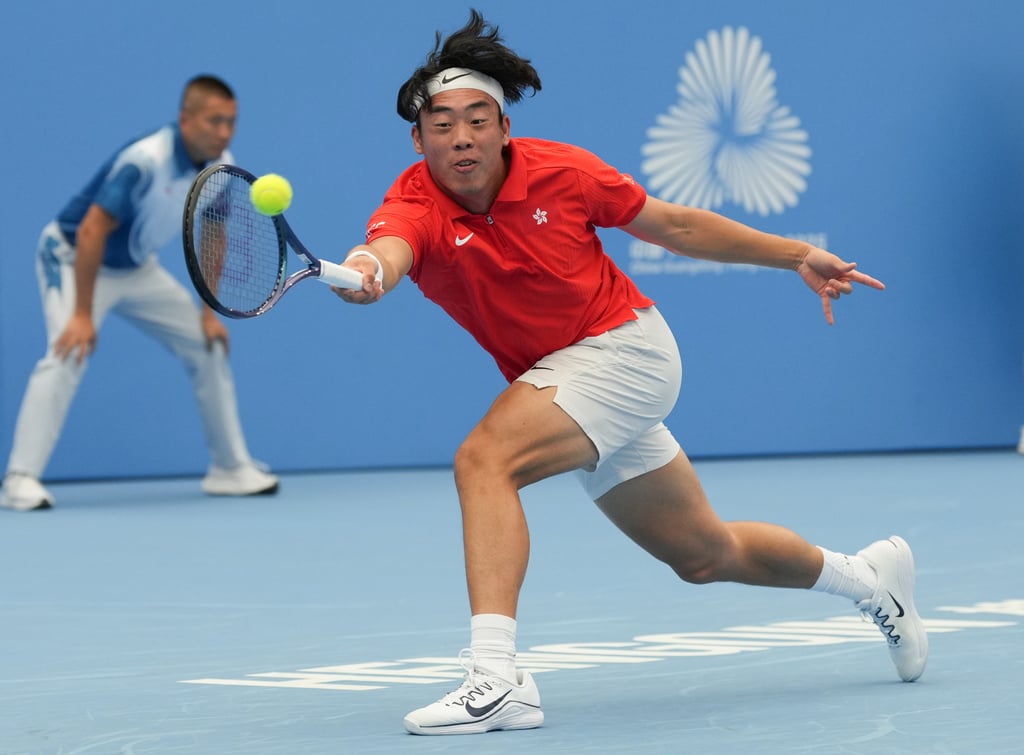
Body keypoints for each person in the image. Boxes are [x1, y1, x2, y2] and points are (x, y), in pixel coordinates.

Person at [333, 10, 927, 736]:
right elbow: (387, 250)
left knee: (485, 460)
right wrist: (367, 271)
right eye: (442, 123)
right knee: (706, 554)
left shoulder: (564, 172)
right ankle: (870, 579)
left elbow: (675, 226)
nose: (461, 136)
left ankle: (495, 676)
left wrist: (794, 253)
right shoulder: (413, 204)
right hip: (564, 376)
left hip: (627, 351)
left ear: (504, 129)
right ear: (418, 139)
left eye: (478, 119)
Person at [0, 75, 278, 512]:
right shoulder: (145, 160)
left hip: (135, 270)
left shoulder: (220, 168)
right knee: (69, 349)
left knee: (208, 346)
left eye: (232, 122)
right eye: (214, 121)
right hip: (73, 257)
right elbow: (92, 230)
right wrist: (81, 314)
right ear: (186, 120)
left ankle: (230, 469)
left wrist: (209, 311)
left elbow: (213, 235)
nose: (224, 132)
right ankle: (19, 479)